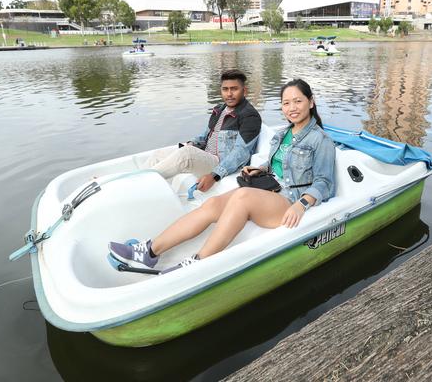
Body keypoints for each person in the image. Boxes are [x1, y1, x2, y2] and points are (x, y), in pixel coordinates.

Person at [109, 78, 336, 273]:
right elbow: (282, 163)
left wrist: (302, 205)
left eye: (298, 101)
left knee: (242, 196)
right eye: (286, 103)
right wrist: (262, 169)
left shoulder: (320, 139)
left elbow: (324, 182)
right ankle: (149, 250)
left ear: (311, 102)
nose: (292, 107)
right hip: (270, 190)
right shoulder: (283, 134)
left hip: (290, 200)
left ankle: (199, 262)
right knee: (213, 204)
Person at [143, 69, 262, 193]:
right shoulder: (220, 109)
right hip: (206, 155)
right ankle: (140, 184)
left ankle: (142, 183)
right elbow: (206, 135)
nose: (229, 94)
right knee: (158, 154)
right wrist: (192, 143)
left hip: (220, 163)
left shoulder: (249, 116)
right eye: (225, 89)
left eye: (234, 89)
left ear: (245, 91)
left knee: (187, 154)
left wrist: (215, 175)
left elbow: (241, 152)